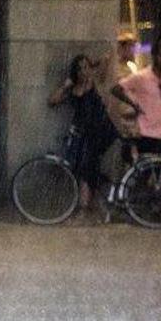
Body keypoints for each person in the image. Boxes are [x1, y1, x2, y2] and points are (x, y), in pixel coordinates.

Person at [48, 54, 118, 213]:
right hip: (84, 134)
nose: (83, 72)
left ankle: (84, 209)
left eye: (85, 67)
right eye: (79, 68)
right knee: (85, 169)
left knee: (86, 169)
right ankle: (96, 201)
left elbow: (105, 65)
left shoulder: (95, 84)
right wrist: (65, 86)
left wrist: (98, 63)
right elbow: (53, 100)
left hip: (100, 132)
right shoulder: (73, 89)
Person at [111, 39, 161, 156]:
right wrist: (133, 104)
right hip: (146, 131)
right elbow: (116, 89)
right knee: (146, 166)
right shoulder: (141, 76)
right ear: (154, 56)